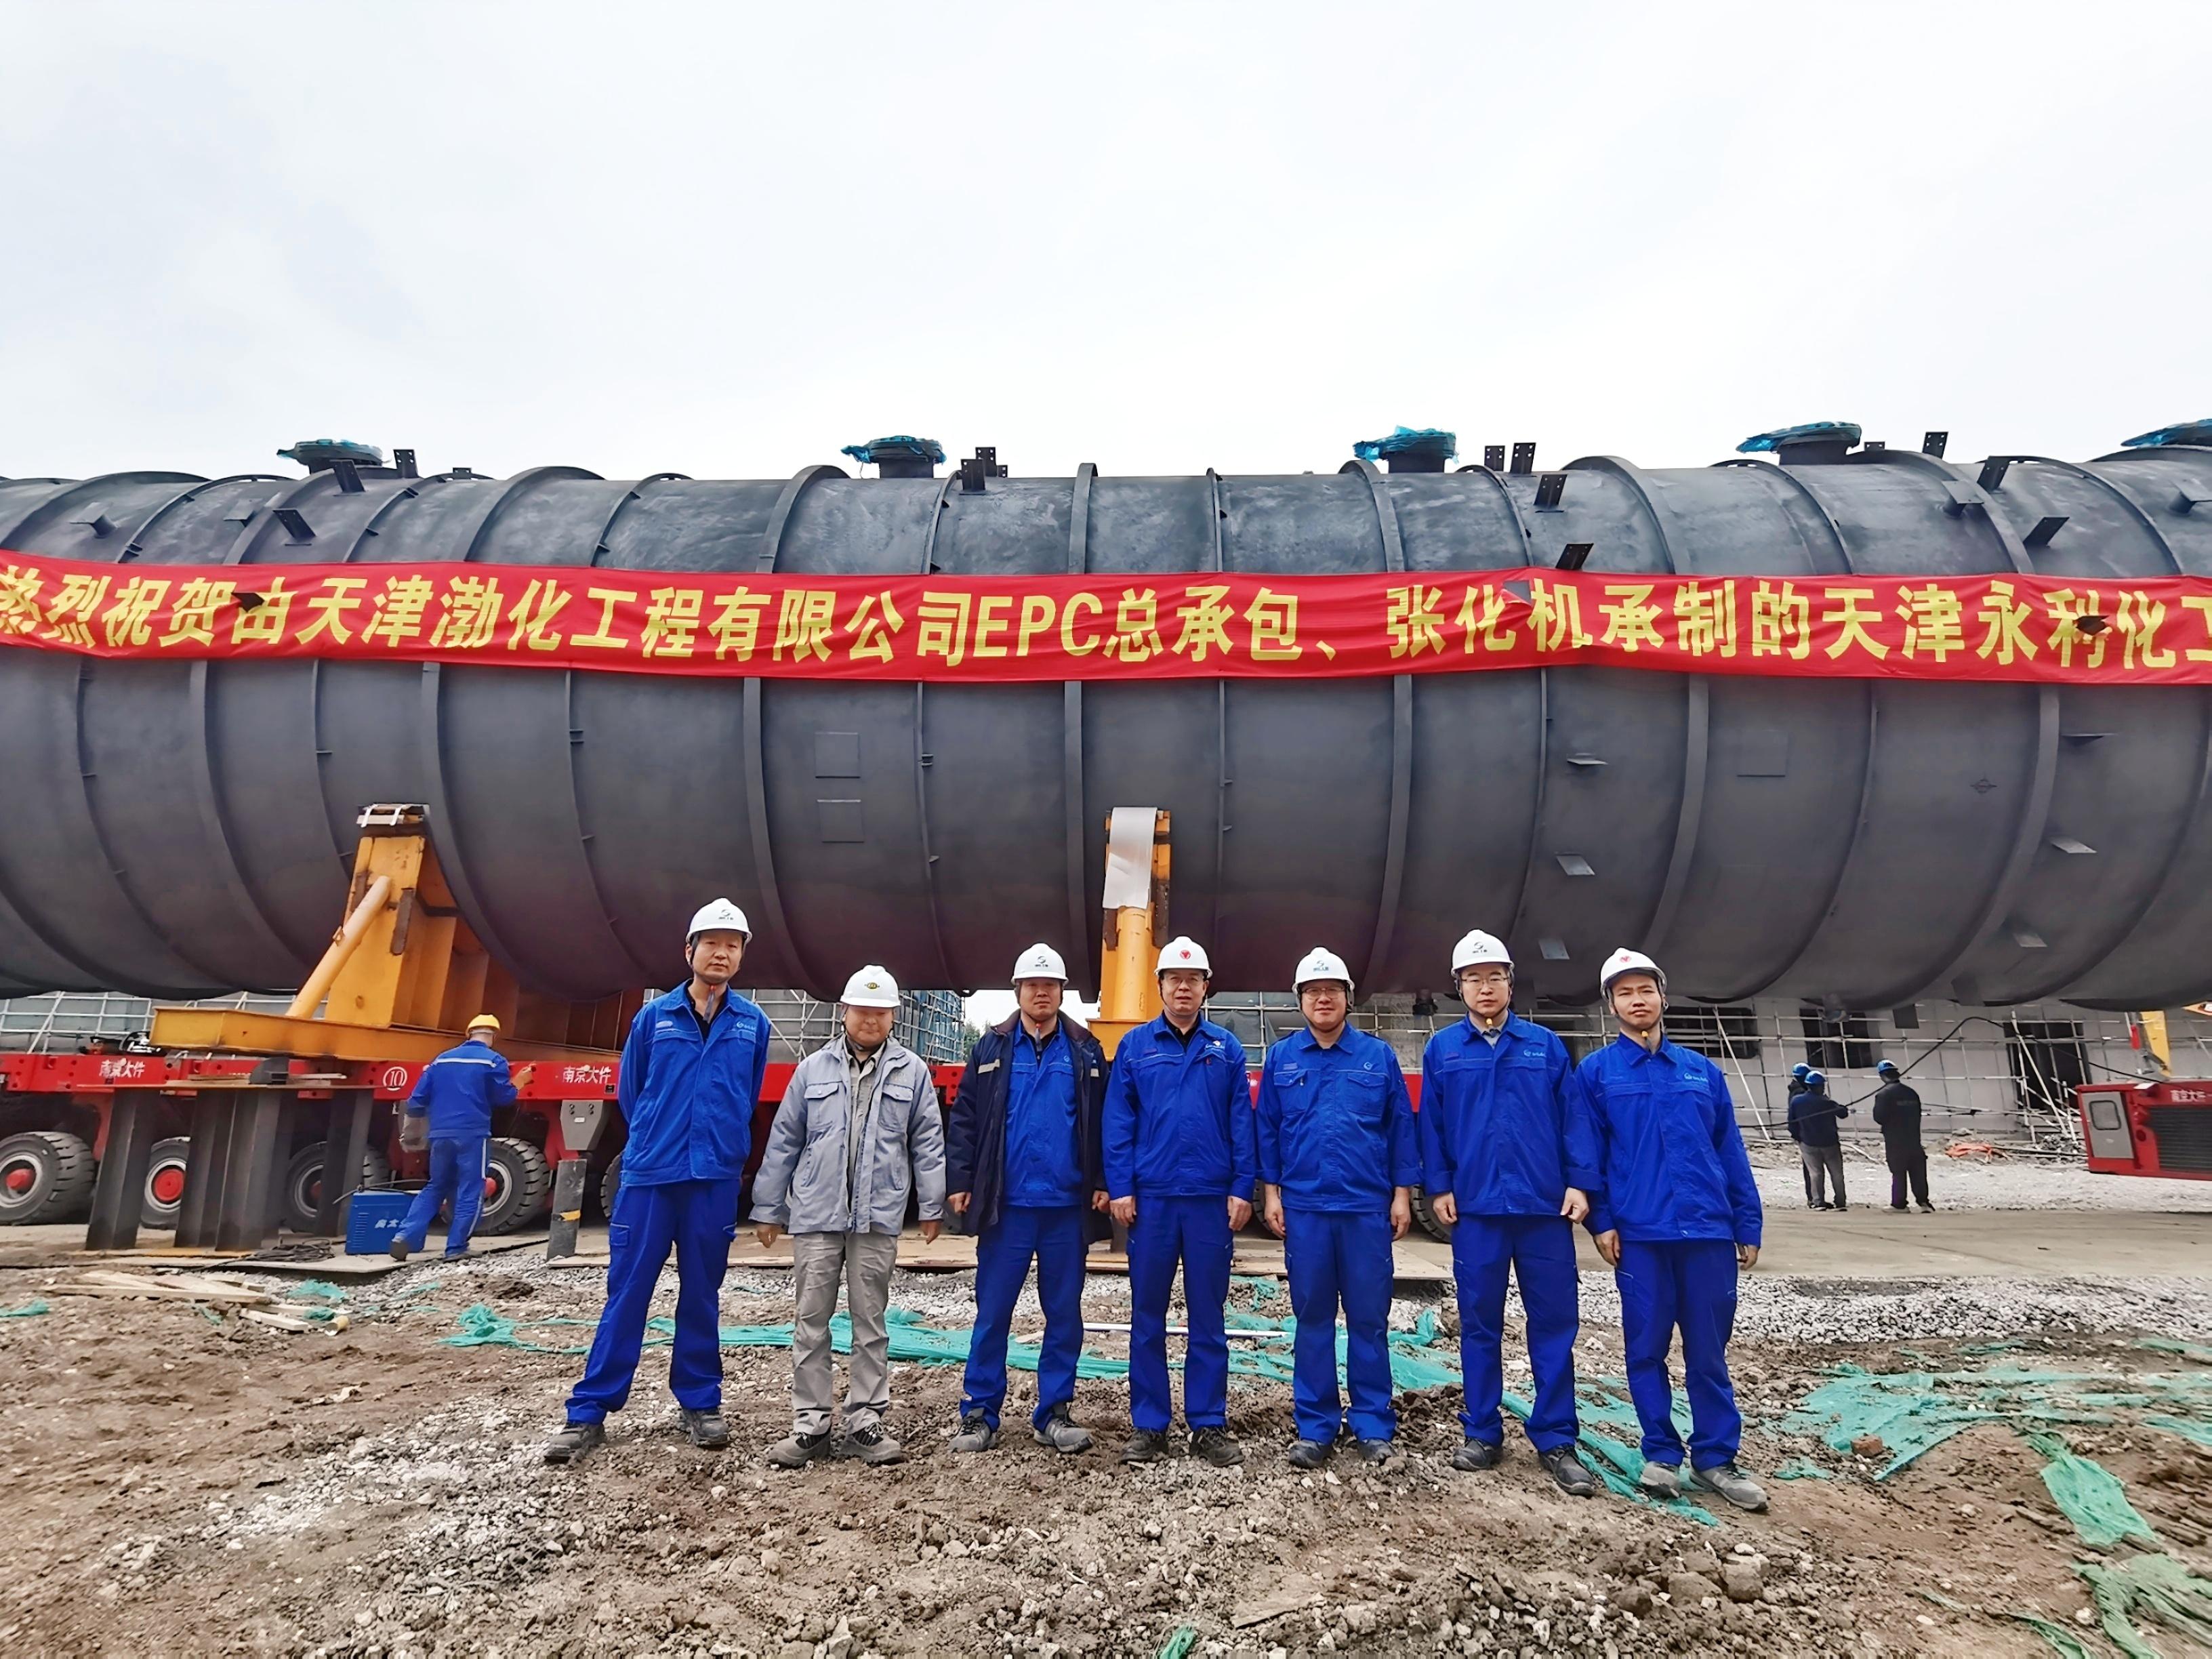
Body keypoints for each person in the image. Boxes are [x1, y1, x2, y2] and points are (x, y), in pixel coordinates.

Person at [543, 900, 773, 1465]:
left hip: (713, 1179)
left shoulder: (753, 1025)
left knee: (702, 1294)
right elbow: (632, 1092)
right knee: (627, 1292)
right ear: (689, 950)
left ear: (741, 957)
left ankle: (700, 1401)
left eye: (733, 945)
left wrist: (721, 1147)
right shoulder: (653, 1019)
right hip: (650, 1178)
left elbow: (747, 1095)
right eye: (711, 943)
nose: (721, 953)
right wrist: (658, 1139)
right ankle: (589, 1411)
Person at [1580, 947, 1768, 1513]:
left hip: (1707, 1233)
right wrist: (1602, 1222)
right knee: (1646, 1349)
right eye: (1625, 993)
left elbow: (1729, 1150)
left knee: (1708, 1353)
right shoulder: (1596, 1074)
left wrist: (1747, 1220)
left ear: (1663, 996)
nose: (1637, 1001)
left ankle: (1716, 1459)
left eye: (1646, 990)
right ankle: (1661, 1454)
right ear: (1612, 1005)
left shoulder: (1700, 1072)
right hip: (1641, 1235)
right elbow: (1590, 1157)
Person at [1418, 930, 1601, 1497]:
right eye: (1473, 978)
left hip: (1543, 1209)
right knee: (1479, 1324)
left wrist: (1580, 1183)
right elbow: (1432, 1127)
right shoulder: (1443, 1050)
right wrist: (1438, 1187)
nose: (1485, 987)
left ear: (1510, 983)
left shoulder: (1545, 1047)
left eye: (1494, 977)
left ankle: (1557, 1440)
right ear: (1459, 987)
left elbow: (1574, 1120)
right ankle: (1482, 1433)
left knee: (1554, 1325)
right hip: (1477, 1211)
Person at [753, 966, 946, 1467]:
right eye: (863, 1010)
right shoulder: (812, 1070)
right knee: (810, 1320)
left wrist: (932, 1207)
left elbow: (928, 1142)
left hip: (877, 1216)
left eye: (881, 1012)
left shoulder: (912, 1072)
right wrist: (768, 1208)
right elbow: (785, 1140)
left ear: (893, 1017)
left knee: (871, 1322)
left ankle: (865, 1421)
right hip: (817, 1214)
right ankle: (810, 1425)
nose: (871, 1020)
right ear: (845, 1012)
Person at [1256, 947, 1418, 1469]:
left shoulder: (1377, 1057)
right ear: (1300, 1000)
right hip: (1306, 1209)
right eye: (1312, 991)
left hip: (1365, 1208)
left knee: (1369, 1319)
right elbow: (1269, 1131)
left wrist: (1401, 1194)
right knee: (1313, 1319)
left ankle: (1372, 1424)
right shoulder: (1283, 1059)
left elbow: (1400, 1128)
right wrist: (1272, 1194)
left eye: (1331, 990)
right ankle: (1316, 1426)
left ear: (1348, 998)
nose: (1322, 998)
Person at [946, 943, 1110, 1455]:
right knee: (993, 1313)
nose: (1042, 992)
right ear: (1017, 990)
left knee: (1063, 1315)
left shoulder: (1085, 1050)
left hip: (1065, 1209)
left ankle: (1054, 1413)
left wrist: (1102, 1180)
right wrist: (961, 1180)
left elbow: (1102, 1123)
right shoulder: (991, 1048)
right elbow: (965, 1119)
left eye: (1051, 985)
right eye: (1033, 985)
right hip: (1008, 1207)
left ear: (1062, 992)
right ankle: (979, 1412)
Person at [1104, 936, 1256, 1467]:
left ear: (1206, 987)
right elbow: (1118, 1122)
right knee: (1147, 1315)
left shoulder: (1226, 1049)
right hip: (1153, 1202)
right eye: (1175, 979)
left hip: (1210, 1201)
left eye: (1193, 980)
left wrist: (1242, 1188)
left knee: (1208, 1317)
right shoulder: (1136, 1047)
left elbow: (1242, 1124)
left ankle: (1208, 1424)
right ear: (1161, 986)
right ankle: (1150, 1426)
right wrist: (1121, 1187)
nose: (1184, 988)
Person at [390, 1014, 528, 1262]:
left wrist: (412, 1135)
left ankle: (404, 1236)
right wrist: (519, 1083)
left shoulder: (441, 1060)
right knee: (471, 1188)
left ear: (469, 1034)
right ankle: (456, 1247)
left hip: (440, 1134)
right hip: (472, 1134)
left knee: (436, 1186)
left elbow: (417, 1101)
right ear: (493, 1036)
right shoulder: (493, 1060)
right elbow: (503, 1098)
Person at [1871, 1060, 1934, 1212]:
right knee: (1918, 1172)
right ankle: (1924, 1203)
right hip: (1914, 1138)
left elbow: (1879, 1117)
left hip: (1895, 1140)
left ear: (1882, 1076)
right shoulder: (1911, 1093)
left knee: (1898, 1172)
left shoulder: (1883, 1094)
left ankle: (1899, 1204)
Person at [1786, 1069, 1849, 1211]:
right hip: (1830, 1143)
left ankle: (1818, 1201)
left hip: (1808, 1143)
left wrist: (1798, 1138)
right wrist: (1840, 1107)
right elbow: (1843, 1114)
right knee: (1837, 1174)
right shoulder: (1826, 1102)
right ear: (1820, 1087)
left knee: (1815, 1173)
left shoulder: (1797, 1101)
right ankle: (1840, 1201)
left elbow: (1792, 1122)